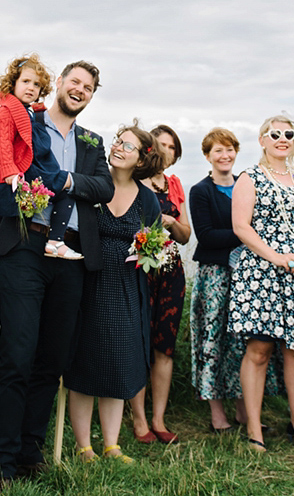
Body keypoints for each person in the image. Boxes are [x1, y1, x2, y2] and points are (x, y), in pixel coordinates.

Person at [0, 61, 113, 490]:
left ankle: (29, 453)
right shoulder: (26, 119)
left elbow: (104, 189)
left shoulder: (93, 141)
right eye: (74, 82)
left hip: (72, 253)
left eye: (88, 87)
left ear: (92, 96)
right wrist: (64, 183)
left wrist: (67, 180)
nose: (80, 90)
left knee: (52, 359)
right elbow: (5, 169)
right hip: (25, 246)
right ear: (57, 84)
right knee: (17, 356)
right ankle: (0, 466)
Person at [228, 115, 294, 452]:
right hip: (262, 274)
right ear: (262, 140)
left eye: (288, 134)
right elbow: (241, 227)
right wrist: (274, 256)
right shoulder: (250, 177)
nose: (282, 138)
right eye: (275, 134)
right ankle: (254, 428)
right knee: (259, 350)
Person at [64, 123, 164, 463]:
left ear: (141, 160)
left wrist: (151, 251)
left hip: (125, 288)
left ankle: (111, 444)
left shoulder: (147, 199)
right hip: (86, 283)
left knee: (118, 363)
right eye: (119, 141)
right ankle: (84, 447)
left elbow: (155, 241)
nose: (119, 148)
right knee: (84, 364)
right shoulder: (95, 186)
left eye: (129, 146)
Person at [189, 128, 273, 432]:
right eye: (217, 151)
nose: (224, 156)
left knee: (242, 342)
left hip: (246, 276)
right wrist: (244, 234)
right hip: (215, 275)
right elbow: (206, 235)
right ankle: (216, 412)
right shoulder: (201, 190)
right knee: (214, 341)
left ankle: (243, 410)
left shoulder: (245, 185)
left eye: (229, 150)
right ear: (208, 156)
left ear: (236, 152)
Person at [0, 53, 75, 268]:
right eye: (25, 82)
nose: (31, 88)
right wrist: (9, 171)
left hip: (19, 169)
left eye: (36, 85)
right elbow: (3, 143)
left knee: (4, 211)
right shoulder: (6, 112)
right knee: (64, 190)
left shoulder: (24, 110)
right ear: (13, 83)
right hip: (9, 171)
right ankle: (55, 241)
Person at [130, 124, 191, 445]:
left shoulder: (174, 184)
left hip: (170, 268)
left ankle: (159, 418)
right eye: (161, 145)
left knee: (164, 345)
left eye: (172, 147)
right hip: (138, 267)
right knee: (139, 342)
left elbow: (185, 233)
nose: (166, 151)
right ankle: (139, 419)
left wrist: (170, 221)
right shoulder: (134, 181)